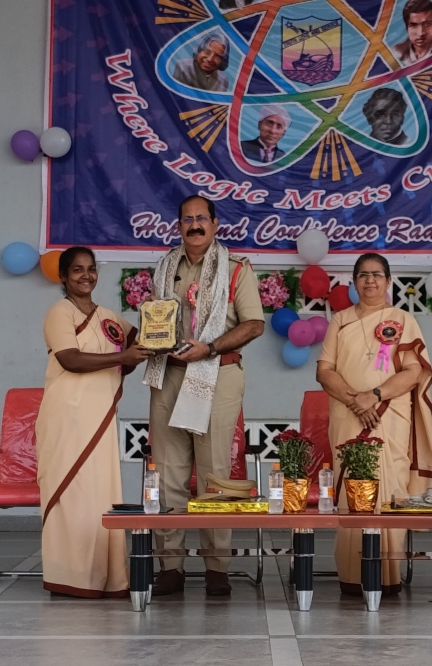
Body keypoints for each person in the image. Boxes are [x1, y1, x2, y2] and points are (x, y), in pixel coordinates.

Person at [143, 195, 265, 597]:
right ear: (178, 226)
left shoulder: (236, 268)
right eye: (187, 219)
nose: (194, 225)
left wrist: (209, 348)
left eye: (201, 219)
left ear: (215, 224)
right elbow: (157, 321)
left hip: (218, 372)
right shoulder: (165, 267)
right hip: (169, 374)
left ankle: (217, 567)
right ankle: (171, 566)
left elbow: (254, 324)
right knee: (168, 474)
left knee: (214, 475)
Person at [36, 246, 155, 599]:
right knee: (73, 495)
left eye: (90, 269)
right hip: (67, 417)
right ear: (63, 276)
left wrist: (159, 318)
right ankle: (72, 576)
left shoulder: (109, 316)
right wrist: (123, 356)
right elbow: (70, 359)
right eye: (77, 269)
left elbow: (137, 348)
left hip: (100, 417)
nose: (85, 275)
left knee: (100, 494)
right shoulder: (59, 312)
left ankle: (107, 577)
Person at [317, 253, 432, 596]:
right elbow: (324, 370)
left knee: (390, 487)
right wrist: (356, 400)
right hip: (348, 415)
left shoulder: (403, 320)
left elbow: (414, 371)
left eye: (377, 274)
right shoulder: (340, 321)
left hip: (390, 417)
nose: (370, 280)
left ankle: (388, 574)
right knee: (351, 490)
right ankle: (351, 576)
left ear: (388, 281)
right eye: (363, 275)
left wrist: (376, 395)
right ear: (354, 282)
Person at [393, 0, 432, 66]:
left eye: (426, 24)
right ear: (406, 27)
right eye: (413, 26)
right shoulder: (393, 54)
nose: (420, 33)